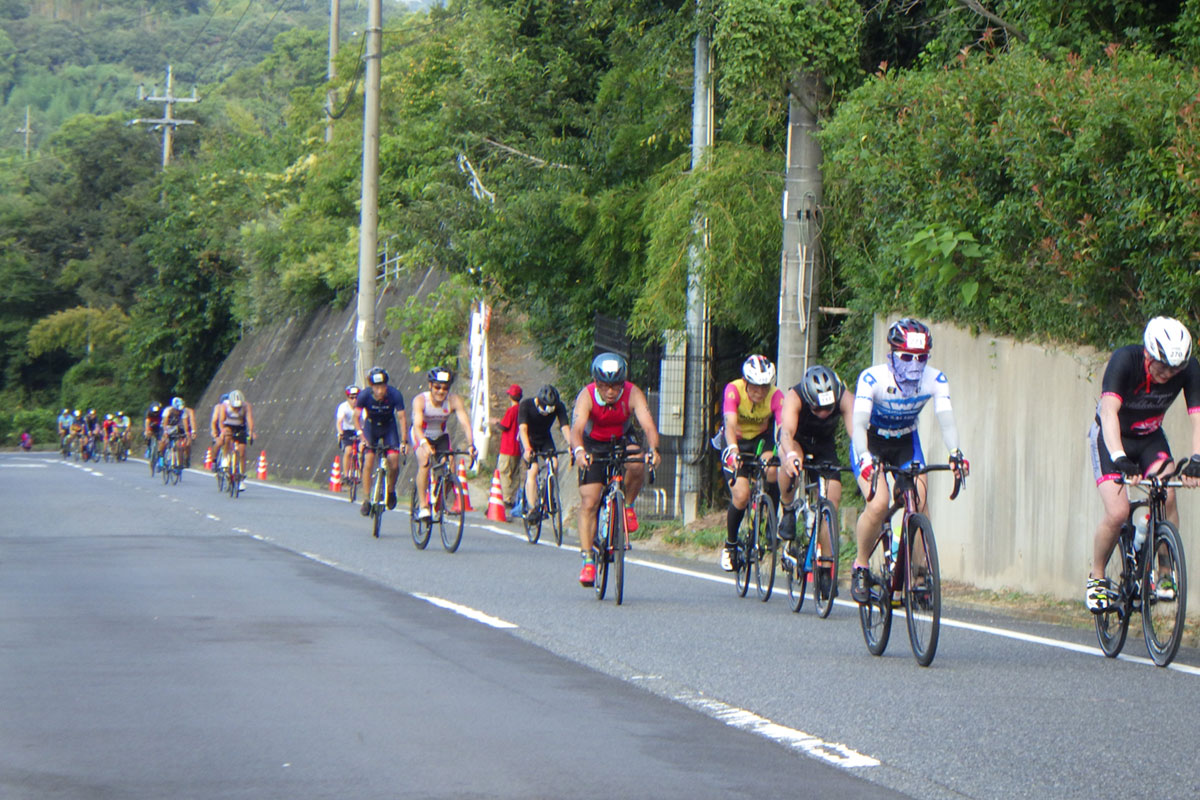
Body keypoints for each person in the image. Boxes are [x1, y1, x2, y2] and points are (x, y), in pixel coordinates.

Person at [848, 318, 969, 605]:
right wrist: (865, 458)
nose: (915, 364)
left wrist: (956, 453)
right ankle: (861, 565)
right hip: (871, 441)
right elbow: (859, 422)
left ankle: (917, 576)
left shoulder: (935, 379)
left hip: (905, 442)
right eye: (906, 357)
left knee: (920, 503)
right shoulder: (872, 378)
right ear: (891, 353)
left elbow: (946, 419)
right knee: (878, 504)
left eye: (922, 358)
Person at [1085, 316, 1200, 612]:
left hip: (1150, 438)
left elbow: (1198, 417)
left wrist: (1197, 459)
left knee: (1168, 495)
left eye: (1176, 369)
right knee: (1118, 511)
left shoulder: (1188, 369)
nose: (1168, 374)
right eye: (1162, 366)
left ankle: (1163, 571)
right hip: (1112, 437)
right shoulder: (1125, 360)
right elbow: (1109, 412)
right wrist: (1119, 457)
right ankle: (1097, 575)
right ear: (1148, 354)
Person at [569, 352, 661, 586]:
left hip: (621, 438)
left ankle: (628, 505)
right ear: (596, 383)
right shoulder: (587, 396)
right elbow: (577, 429)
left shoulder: (633, 393)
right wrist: (579, 452)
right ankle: (588, 559)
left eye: (616, 386)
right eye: (605, 386)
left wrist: (653, 449)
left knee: (637, 461)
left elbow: (648, 425)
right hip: (593, 443)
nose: (610, 392)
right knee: (589, 500)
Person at [777, 364, 855, 593]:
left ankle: (826, 564)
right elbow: (786, 433)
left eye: (828, 409)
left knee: (831, 500)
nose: (823, 413)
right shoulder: (795, 396)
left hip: (823, 445)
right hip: (796, 440)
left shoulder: (844, 397)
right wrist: (790, 456)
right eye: (817, 408)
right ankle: (788, 508)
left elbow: (857, 434)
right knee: (791, 464)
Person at [717, 355, 785, 572]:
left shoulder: (776, 396)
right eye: (754, 387)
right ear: (746, 382)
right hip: (735, 440)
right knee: (742, 495)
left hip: (760, 441)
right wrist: (733, 451)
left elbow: (783, 427)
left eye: (764, 387)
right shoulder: (733, 390)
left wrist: (784, 449)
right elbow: (729, 424)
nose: (759, 392)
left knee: (773, 470)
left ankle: (770, 524)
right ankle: (730, 544)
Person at [409, 366, 476, 520]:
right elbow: (418, 427)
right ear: (430, 386)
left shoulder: (453, 400)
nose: (441, 391)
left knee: (449, 468)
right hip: (421, 435)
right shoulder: (421, 400)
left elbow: (465, 424)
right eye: (437, 387)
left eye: (445, 388)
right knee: (425, 462)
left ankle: (438, 502)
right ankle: (423, 506)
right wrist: (424, 444)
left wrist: (471, 445)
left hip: (440, 436)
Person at [355, 367, 410, 514]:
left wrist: (404, 441)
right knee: (369, 459)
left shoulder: (395, 395)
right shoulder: (364, 396)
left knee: (393, 459)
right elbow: (356, 417)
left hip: (388, 427)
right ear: (371, 387)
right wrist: (361, 437)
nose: (380, 391)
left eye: (383, 387)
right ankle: (366, 499)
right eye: (376, 388)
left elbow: (402, 418)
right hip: (371, 426)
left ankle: (391, 490)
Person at [518, 384, 572, 522]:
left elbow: (565, 427)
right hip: (528, 439)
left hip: (544, 438)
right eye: (546, 408)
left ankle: (548, 496)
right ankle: (532, 509)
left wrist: (573, 445)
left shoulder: (559, 406)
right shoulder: (526, 405)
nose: (548, 412)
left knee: (554, 463)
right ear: (538, 402)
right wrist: (527, 449)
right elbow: (523, 429)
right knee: (533, 469)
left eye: (551, 409)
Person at [214, 390, 254, 489]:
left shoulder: (246, 406)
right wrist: (222, 432)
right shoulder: (224, 406)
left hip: (240, 426)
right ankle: (225, 457)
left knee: (242, 451)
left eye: (238, 407)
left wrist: (251, 432)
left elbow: (249, 420)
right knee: (227, 438)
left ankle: (241, 477)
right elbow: (221, 421)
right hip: (228, 425)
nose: (236, 409)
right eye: (234, 407)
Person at [493, 384, 524, 507]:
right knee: (515, 474)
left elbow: (504, 426)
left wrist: (495, 422)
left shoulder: (511, 410)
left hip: (507, 448)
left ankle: (506, 499)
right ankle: (514, 498)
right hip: (517, 448)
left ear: (510, 397)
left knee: (504, 473)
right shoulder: (522, 409)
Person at [335, 385, 362, 485]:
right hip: (347, 431)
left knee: (363, 450)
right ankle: (346, 475)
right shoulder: (343, 407)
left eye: (356, 397)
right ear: (347, 398)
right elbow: (339, 421)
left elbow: (367, 420)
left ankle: (360, 472)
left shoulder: (362, 407)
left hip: (360, 429)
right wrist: (340, 432)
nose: (354, 400)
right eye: (352, 397)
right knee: (348, 450)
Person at [159, 397, 193, 465]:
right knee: (163, 441)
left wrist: (187, 434)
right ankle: (161, 457)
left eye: (180, 410)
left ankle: (180, 464)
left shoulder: (183, 412)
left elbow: (185, 423)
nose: (178, 412)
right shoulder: (168, 410)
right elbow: (165, 423)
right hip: (166, 426)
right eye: (177, 410)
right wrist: (165, 432)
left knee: (179, 444)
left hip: (176, 427)